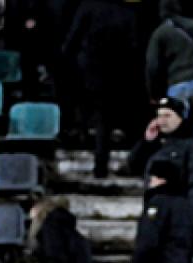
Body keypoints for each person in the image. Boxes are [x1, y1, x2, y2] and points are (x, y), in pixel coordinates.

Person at [62, 0, 141, 178]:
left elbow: (73, 37)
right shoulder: (127, 11)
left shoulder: (88, 6)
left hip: (91, 70)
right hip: (117, 72)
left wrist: (67, 60)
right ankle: (116, 162)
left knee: (98, 118)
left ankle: (94, 156)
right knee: (107, 121)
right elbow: (133, 44)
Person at [146, 0, 193, 146]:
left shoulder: (160, 32)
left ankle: (178, 157)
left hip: (177, 81)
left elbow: (152, 65)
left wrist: (153, 93)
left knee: (175, 123)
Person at [126, 96, 193, 222]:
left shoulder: (192, 146)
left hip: (178, 216)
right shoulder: (156, 143)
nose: (162, 120)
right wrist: (146, 141)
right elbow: (133, 166)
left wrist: (190, 215)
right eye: (159, 116)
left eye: (167, 116)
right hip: (152, 212)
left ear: (180, 118)